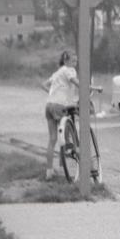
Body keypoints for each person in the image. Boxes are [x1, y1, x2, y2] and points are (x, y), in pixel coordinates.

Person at [43, 49, 79, 181]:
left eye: (76, 60)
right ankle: (61, 169)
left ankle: (49, 172)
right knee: (66, 137)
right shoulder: (69, 71)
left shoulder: (58, 72)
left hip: (49, 105)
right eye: (73, 60)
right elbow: (75, 82)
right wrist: (89, 87)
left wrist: (52, 94)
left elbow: (44, 85)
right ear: (66, 61)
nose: (75, 63)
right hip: (60, 106)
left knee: (52, 139)